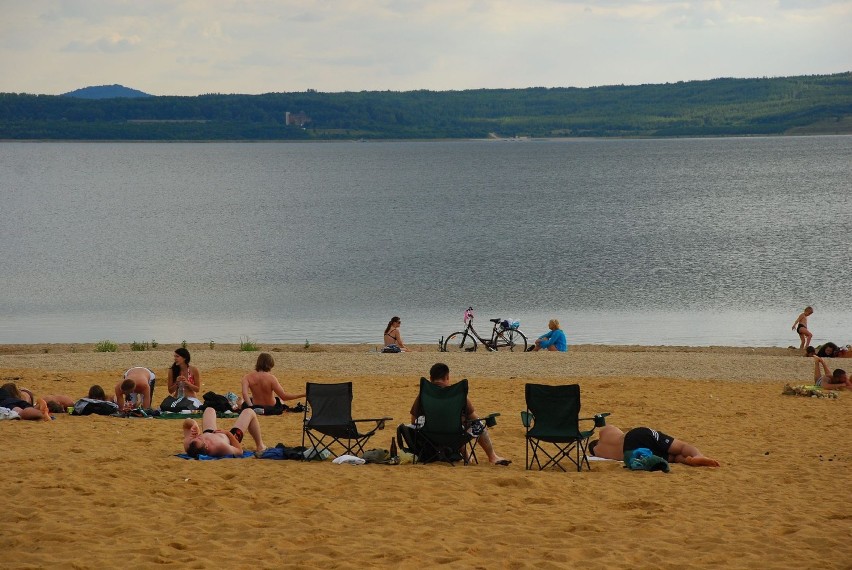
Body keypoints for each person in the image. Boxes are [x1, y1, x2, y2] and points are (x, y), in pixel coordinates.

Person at [410, 363, 510, 466]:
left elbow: (413, 420)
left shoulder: (423, 395)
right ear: (447, 377)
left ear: (430, 378)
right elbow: (475, 419)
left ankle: (466, 455)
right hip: (455, 436)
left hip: (430, 437)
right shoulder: (457, 395)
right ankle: (492, 457)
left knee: (453, 424)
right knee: (475, 424)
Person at [588, 425, 719, 467]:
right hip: (635, 436)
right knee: (681, 446)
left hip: (631, 453)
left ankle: (687, 461)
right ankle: (697, 455)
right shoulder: (605, 432)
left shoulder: (599, 452)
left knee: (672, 458)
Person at [183, 407, 267, 458]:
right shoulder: (220, 447)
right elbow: (239, 451)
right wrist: (227, 433)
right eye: (200, 439)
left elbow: (187, 424)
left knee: (209, 410)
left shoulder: (190, 445)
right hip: (228, 438)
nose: (198, 436)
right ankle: (260, 445)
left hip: (212, 433)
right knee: (249, 412)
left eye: (197, 438)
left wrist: (195, 426)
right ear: (207, 446)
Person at [240, 353, 305, 413]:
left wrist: (251, 407)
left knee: (245, 400)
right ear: (270, 365)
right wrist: (303, 395)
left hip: (256, 405)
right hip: (272, 406)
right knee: (279, 399)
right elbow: (284, 396)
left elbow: (244, 393)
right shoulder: (271, 378)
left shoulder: (247, 377)